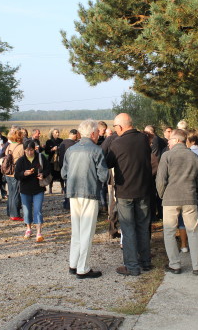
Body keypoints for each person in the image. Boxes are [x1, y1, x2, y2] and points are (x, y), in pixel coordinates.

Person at [156, 129, 198, 275]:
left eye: (170, 139)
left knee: (169, 231)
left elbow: (160, 180)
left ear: (177, 140)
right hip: (189, 197)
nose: (168, 142)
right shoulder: (193, 156)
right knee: (193, 231)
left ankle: (174, 265)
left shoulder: (166, 156)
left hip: (170, 198)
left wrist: (162, 195)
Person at [106, 113, 153, 276]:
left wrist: (108, 140)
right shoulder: (143, 139)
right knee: (143, 226)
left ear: (120, 127)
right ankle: (146, 262)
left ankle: (132, 266)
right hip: (144, 189)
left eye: (115, 127)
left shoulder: (118, 143)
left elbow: (107, 162)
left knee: (128, 228)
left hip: (125, 191)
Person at [62, 119, 109, 279]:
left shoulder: (70, 150)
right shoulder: (96, 150)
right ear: (94, 133)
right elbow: (103, 175)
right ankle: (82, 267)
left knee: (76, 231)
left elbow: (64, 174)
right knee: (87, 232)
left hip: (73, 193)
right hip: (89, 192)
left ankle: (73, 263)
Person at [14, 140, 51, 242]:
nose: (29, 152)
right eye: (27, 150)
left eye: (31, 150)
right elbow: (16, 175)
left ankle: (39, 232)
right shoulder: (21, 161)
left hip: (38, 188)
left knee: (38, 210)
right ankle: (28, 228)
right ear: (24, 150)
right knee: (27, 210)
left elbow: (48, 169)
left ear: (34, 149)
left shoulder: (40, 157)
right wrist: (24, 174)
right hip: (25, 189)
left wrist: (43, 174)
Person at [4, 128, 24, 221]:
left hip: (8, 172)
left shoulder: (8, 146)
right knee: (16, 193)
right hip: (16, 172)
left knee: (11, 193)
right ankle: (15, 214)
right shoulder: (21, 147)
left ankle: (9, 211)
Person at [44, 128, 64, 194]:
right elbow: (46, 152)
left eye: (58, 132)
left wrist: (59, 148)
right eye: (56, 132)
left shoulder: (61, 141)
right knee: (51, 174)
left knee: (61, 174)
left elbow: (63, 149)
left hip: (59, 160)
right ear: (52, 134)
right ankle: (50, 189)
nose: (57, 133)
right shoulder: (49, 142)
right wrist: (52, 150)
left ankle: (62, 188)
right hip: (51, 161)